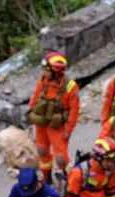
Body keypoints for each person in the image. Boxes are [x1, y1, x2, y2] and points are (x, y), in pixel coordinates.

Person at [29, 51, 81, 189]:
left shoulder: (70, 87)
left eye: (46, 69)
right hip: (42, 123)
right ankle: (47, 181)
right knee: (41, 150)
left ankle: (72, 184)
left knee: (61, 159)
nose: (44, 72)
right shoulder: (43, 80)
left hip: (57, 127)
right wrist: (30, 111)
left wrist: (68, 131)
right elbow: (35, 96)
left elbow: (74, 111)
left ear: (55, 71)